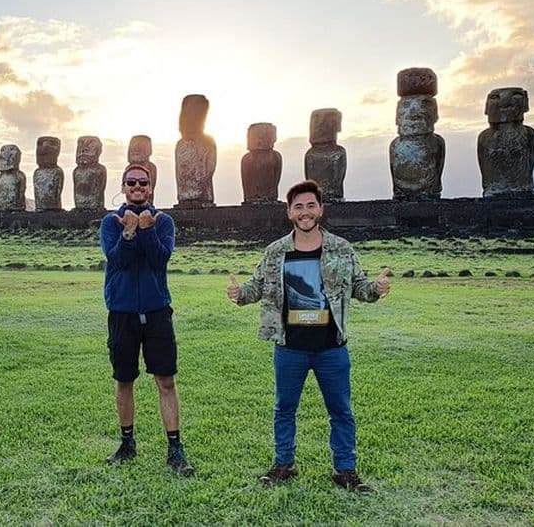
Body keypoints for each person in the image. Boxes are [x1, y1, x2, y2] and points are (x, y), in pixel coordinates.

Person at [226, 180, 390, 491]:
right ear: (289, 213)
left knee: (341, 411)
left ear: (320, 209)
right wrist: (238, 293)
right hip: (290, 347)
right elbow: (256, 287)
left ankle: (345, 471)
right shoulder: (276, 252)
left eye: (310, 205)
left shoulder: (340, 249)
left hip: (331, 347)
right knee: (284, 408)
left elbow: (360, 287)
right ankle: (284, 464)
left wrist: (376, 290)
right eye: (298, 207)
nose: (305, 212)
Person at [99, 163, 194, 476]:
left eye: (143, 182)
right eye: (131, 182)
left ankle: (175, 448)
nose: (137, 187)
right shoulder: (110, 222)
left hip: (156, 310)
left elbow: (159, 260)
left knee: (165, 380)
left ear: (151, 186)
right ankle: (127, 443)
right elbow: (118, 261)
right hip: (122, 310)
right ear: (123, 186)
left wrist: (148, 228)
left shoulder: (164, 221)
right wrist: (128, 231)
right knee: (124, 379)